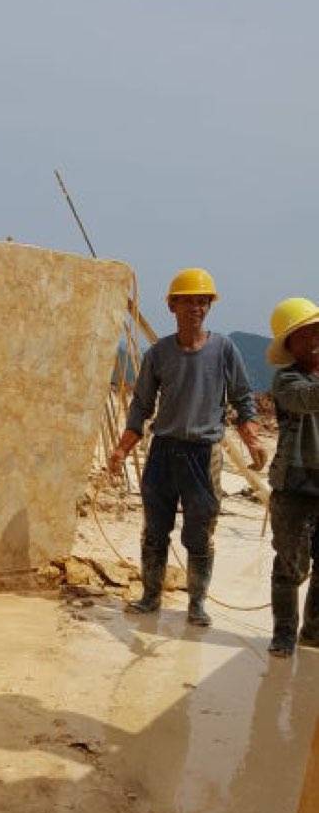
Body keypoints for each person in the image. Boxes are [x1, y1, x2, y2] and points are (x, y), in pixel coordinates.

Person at [108, 268, 266, 627]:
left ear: (209, 306)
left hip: (203, 454)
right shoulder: (158, 354)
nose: (196, 308)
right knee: (154, 531)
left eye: (202, 301)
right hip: (163, 452)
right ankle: (150, 596)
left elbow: (243, 400)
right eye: (188, 301)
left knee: (200, 534)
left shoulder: (224, 350)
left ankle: (196, 604)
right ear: (172, 306)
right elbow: (141, 406)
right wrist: (121, 449)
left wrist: (252, 439)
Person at [265, 297, 319, 656]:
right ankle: (284, 633)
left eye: (316, 331)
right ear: (290, 345)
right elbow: (307, 399)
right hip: (294, 486)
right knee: (290, 564)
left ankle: (313, 633)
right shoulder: (286, 380)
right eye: (304, 334)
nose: (313, 339)